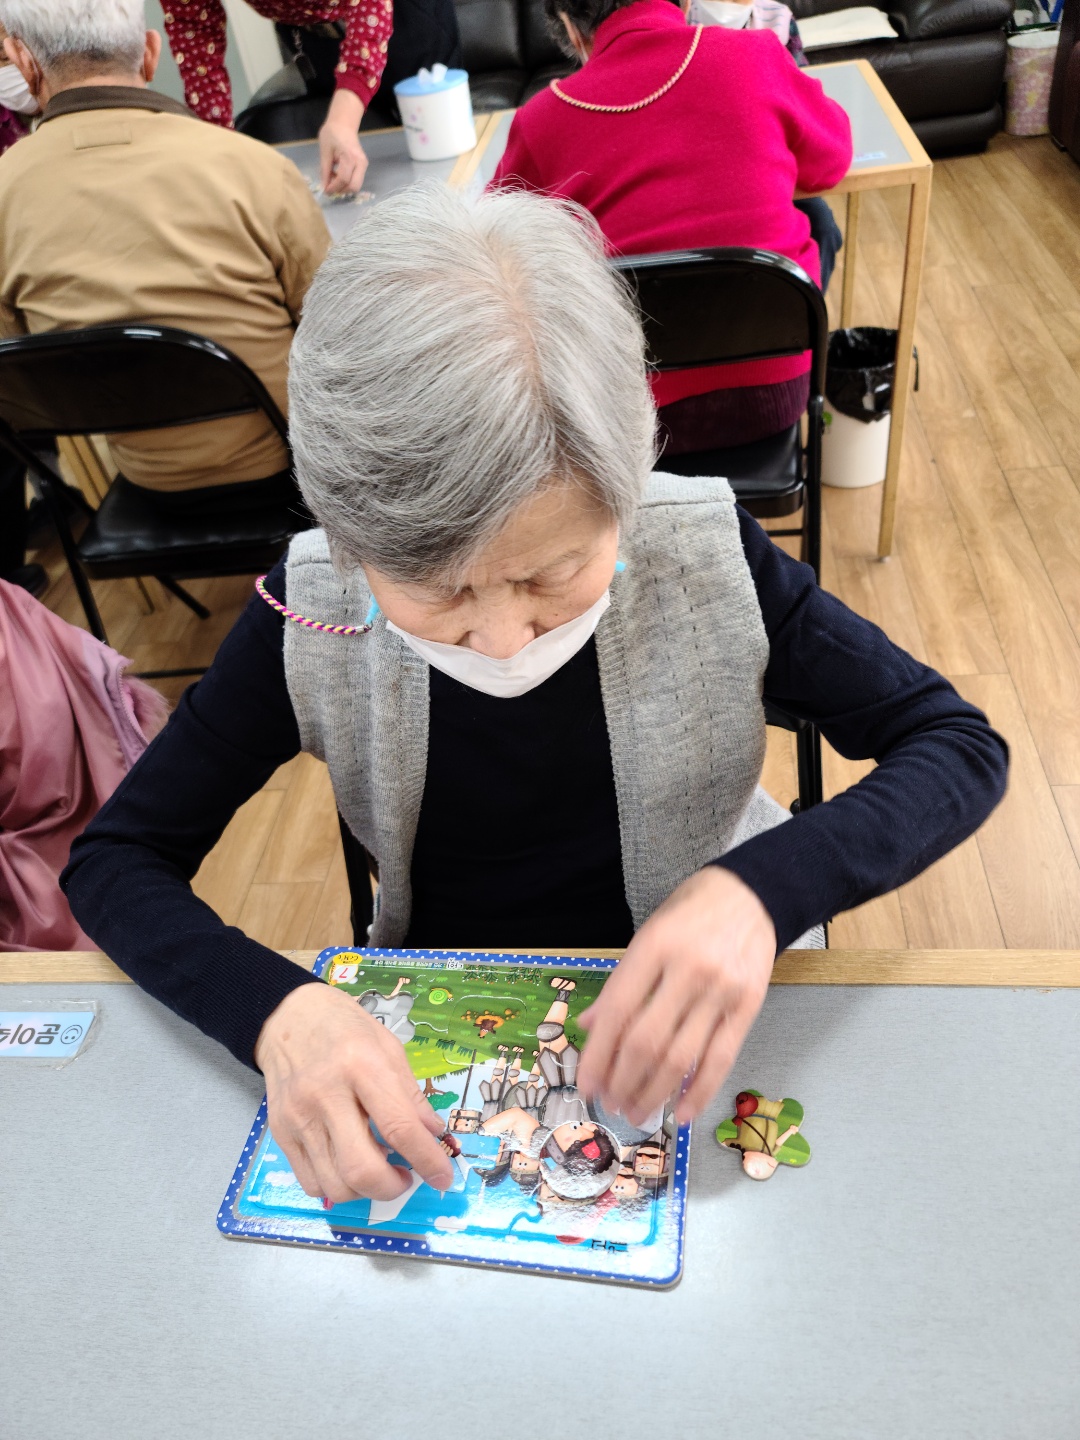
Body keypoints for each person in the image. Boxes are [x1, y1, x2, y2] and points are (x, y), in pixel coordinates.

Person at [63, 183, 1007, 1209]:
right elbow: (116, 859)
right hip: (455, 1006)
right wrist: (273, 1010)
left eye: (554, 572)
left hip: (710, 1000)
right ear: (347, 540)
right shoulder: (312, 605)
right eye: (438, 590)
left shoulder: (700, 555)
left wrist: (761, 891)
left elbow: (955, 744)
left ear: (626, 492)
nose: (504, 637)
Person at [0, 0, 330, 513]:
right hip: (294, 474)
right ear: (151, 53)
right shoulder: (255, 169)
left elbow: (18, 372)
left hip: (146, 483)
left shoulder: (5, 192)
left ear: (24, 62)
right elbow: (336, 330)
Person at [491, 0, 852, 455]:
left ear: (569, 26)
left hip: (628, 420)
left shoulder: (543, 118)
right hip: (774, 395)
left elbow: (497, 246)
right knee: (817, 220)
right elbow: (831, 161)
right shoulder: (756, 54)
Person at [161, 0, 460, 195]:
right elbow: (195, 34)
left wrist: (343, 120)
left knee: (436, 163)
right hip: (314, 41)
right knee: (357, 174)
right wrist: (217, 148)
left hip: (403, 21)